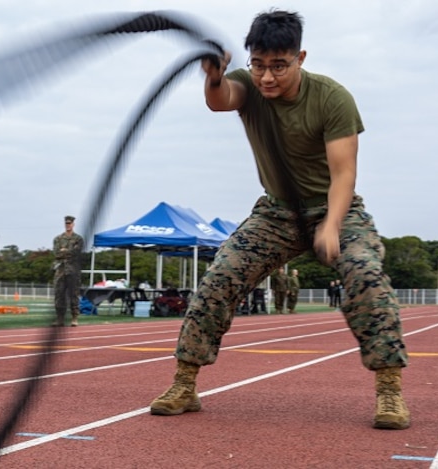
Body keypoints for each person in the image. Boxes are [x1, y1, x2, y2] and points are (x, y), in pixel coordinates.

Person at [148, 10, 410, 430]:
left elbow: (344, 172)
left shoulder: (331, 97)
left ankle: (390, 391)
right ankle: (184, 384)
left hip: (334, 208)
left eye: (278, 66)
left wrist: (329, 226)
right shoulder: (248, 87)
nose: (267, 77)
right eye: (258, 65)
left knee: (366, 276)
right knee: (220, 278)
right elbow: (220, 101)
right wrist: (214, 76)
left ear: (300, 57)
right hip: (276, 211)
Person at [52, 215, 84, 326]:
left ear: (73, 224)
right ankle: (60, 319)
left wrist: (65, 250)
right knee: (59, 295)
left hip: (73, 270)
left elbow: (77, 253)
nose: (68, 225)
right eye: (66, 223)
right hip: (60, 270)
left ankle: (74, 318)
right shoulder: (58, 239)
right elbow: (56, 253)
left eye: (70, 223)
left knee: (73, 295)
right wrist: (68, 251)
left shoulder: (78, 239)